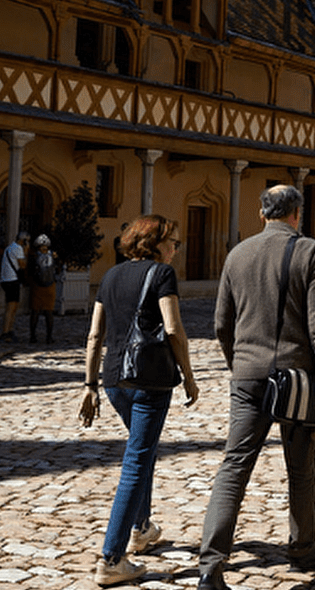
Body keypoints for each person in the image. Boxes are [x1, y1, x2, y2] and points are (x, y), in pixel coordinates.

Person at [199, 185, 315, 587]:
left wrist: (238, 363)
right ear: (296, 214)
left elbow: (221, 323)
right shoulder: (308, 250)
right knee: (301, 465)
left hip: (247, 375)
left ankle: (210, 563)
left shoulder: (237, 253)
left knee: (234, 466)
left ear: (262, 215)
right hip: (295, 376)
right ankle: (302, 547)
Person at [78, 215, 200, 587]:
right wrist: (190, 376)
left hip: (115, 381)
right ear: (156, 243)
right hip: (150, 380)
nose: (176, 249)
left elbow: (95, 334)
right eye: (173, 242)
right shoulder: (162, 275)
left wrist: (90, 384)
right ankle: (112, 558)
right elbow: (174, 328)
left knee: (141, 450)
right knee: (136, 460)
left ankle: (142, 528)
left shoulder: (111, 276)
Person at [26, 234, 58, 343]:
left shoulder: (34, 256)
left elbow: (29, 270)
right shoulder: (53, 255)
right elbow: (56, 270)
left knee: (35, 311)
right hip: (50, 286)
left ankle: (33, 336)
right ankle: (49, 337)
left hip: (37, 286)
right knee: (49, 313)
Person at [0, 230, 29, 342]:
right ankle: (5, 332)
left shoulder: (9, 247)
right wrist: (26, 251)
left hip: (7, 280)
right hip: (12, 281)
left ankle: (9, 330)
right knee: (11, 308)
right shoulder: (18, 249)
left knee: (13, 307)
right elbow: (23, 265)